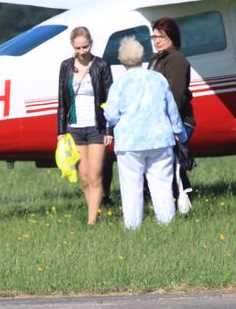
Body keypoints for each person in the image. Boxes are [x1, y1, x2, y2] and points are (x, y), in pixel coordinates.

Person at [104, 37, 187, 230]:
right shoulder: (158, 79)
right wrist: (180, 134)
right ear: (142, 56)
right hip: (160, 139)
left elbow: (112, 115)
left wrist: (105, 113)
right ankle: (167, 224)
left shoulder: (120, 84)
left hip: (130, 143)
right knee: (162, 185)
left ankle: (133, 227)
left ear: (121, 59)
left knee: (131, 187)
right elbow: (171, 110)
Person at [57, 26, 113, 226]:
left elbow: (109, 99)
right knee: (85, 178)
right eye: (78, 48)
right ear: (72, 46)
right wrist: (61, 131)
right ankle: (93, 212)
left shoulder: (101, 65)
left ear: (91, 43)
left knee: (96, 175)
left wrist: (108, 130)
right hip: (75, 129)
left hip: (96, 127)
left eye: (85, 47)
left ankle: (91, 221)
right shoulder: (65, 67)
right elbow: (62, 101)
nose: (82, 52)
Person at [148, 17, 196, 211]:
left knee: (173, 165)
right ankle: (179, 203)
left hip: (178, 121)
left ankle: (184, 203)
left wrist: (168, 124)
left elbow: (175, 96)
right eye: (155, 36)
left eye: (162, 36)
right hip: (159, 120)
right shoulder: (156, 58)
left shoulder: (176, 60)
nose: (157, 40)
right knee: (168, 165)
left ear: (172, 38)